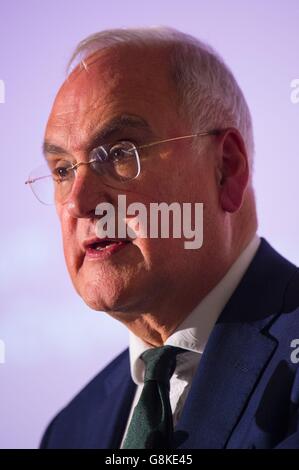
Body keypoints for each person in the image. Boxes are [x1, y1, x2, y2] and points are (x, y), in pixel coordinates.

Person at [27, 27, 299, 449]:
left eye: (119, 153)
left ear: (226, 169)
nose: (79, 202)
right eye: (63, 169)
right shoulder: (70, 430)